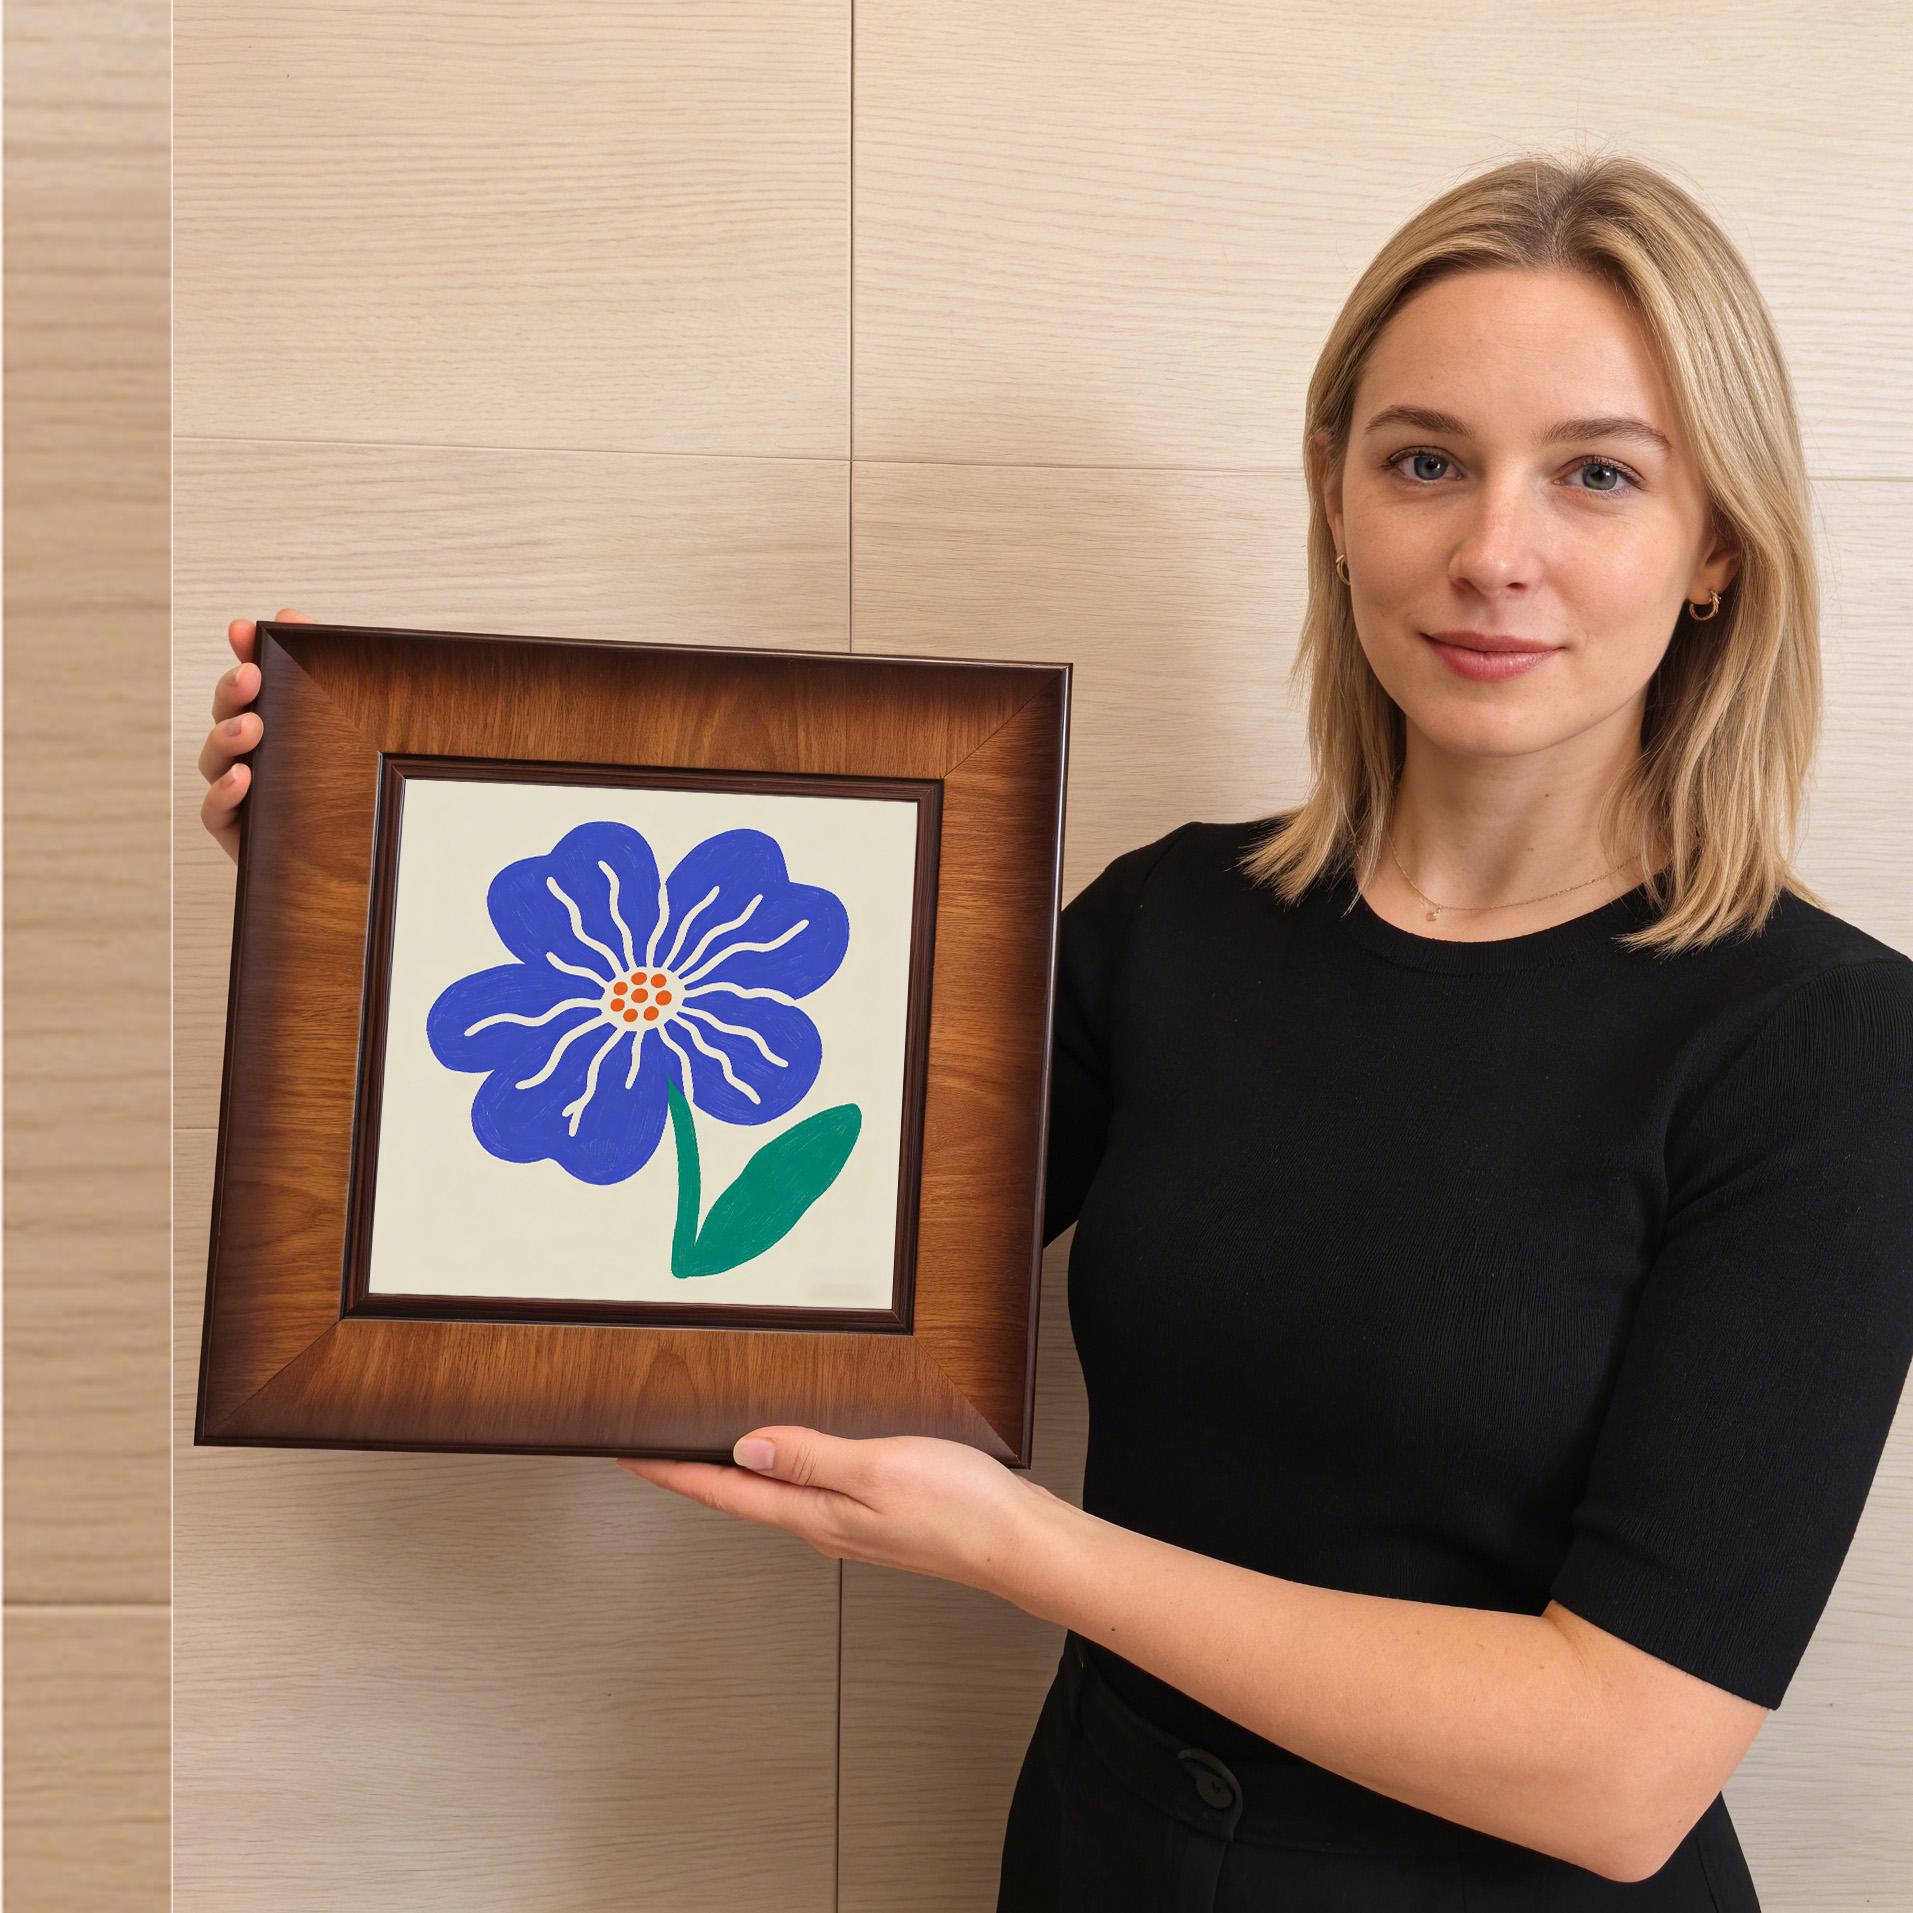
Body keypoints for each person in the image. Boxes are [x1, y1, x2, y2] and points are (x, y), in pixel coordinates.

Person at [197, 152, 1913, 1912]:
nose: (1491, 551)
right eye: (1423, 461)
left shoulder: (1822, 1048)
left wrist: (1030, 1551)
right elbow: (709, 1266)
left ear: (1712, 547)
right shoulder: (1168, 929)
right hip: (1101, 1860)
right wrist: (377, 888)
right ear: (1333, 496)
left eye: (1595, 476)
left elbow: (1620, 1769)